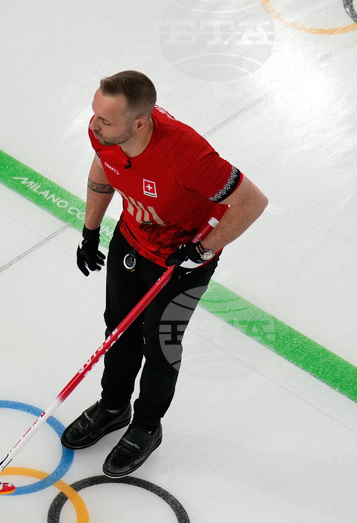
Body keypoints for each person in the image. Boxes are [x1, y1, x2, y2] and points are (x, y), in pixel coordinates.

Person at [64, 70, 267, 477]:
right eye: (95, 115)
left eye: (105, 120)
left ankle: (145, 427)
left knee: (161, 345)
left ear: (140, 122)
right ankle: (113, 406)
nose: (93, 125)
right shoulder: (105, 134)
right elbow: (104, 168)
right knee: (118, 331)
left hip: (181, 263)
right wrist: (90, 231)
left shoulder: (187, 156)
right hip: (131, 242)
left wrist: (201, 251)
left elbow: (252, 202)